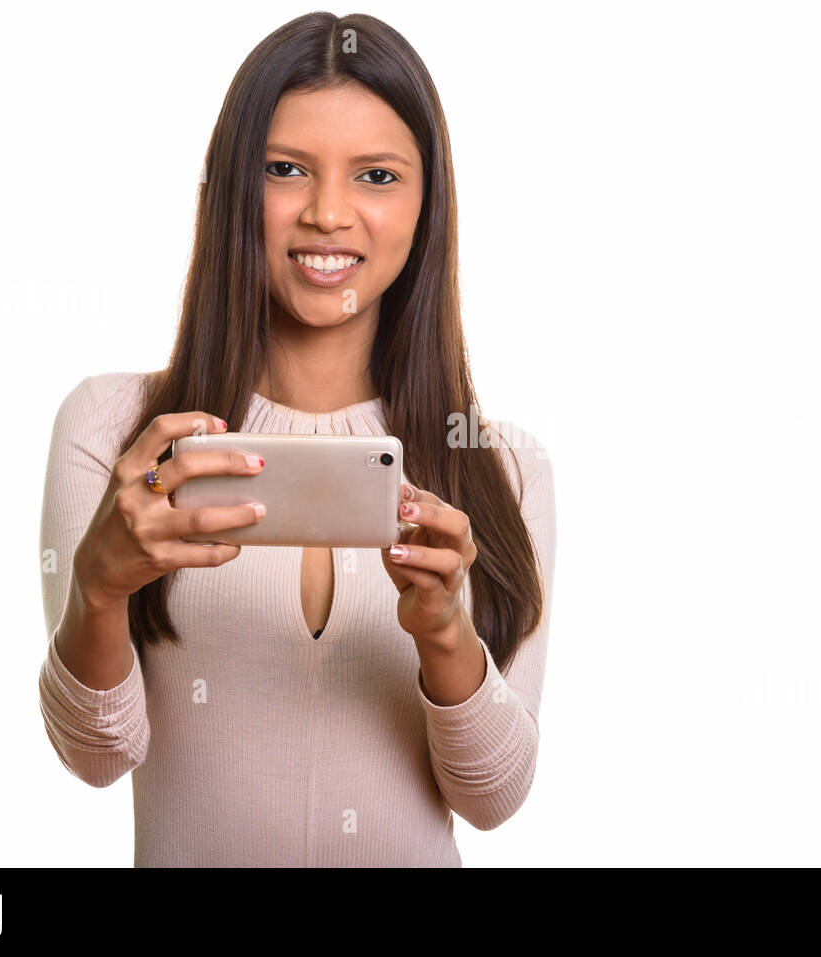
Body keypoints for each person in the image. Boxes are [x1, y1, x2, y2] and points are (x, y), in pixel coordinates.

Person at [37, 12, 556, 867]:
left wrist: (443, 635)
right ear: (236, 189)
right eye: (284, 169)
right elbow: (97, 755)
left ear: (428, 206)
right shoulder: (113, 429)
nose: (327, 213)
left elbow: (493, 797)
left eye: (377, 175)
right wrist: (94, 592)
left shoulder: (503, 467)